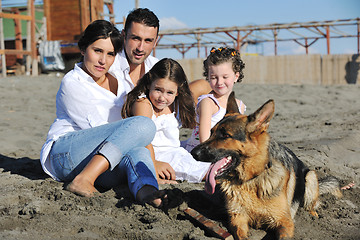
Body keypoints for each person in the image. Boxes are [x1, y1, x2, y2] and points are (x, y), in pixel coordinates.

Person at [40, 20, 166, 208]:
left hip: (102, 158)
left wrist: (152, 164)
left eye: (110, 54)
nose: (103, 60)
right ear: (83, 49)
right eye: (97, 51)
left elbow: (125, 136)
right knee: (144, 125)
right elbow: (104, 129)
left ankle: (147, 191)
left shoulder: (118, 80)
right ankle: (84, 179)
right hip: (67, 155)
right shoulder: (73, 82)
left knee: (139, 151)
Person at [121, 58, 211, 183]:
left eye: (170, 92)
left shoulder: (177, 104)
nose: (162, 98)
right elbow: (144, 138)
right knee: (205, 172)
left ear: (178, 92)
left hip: (176, 152)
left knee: (211, 167)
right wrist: (154, 165)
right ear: (149, 84)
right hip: (153, 155)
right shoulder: (143, 103)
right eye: (158, 90)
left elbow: (204, 85)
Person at [109, 7, 212, 108]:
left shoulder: (156, 67)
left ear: (155, 42)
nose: (140, 48)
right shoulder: (109, 66)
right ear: (124, 35)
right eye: (136, 38)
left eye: (148, 40)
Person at [184, 47, 246, 152]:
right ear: (207, 77)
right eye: (214, 77)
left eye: (225, 77)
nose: (219, 82)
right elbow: (204, 140)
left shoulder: (240, 105)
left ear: (236, 76)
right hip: (203, 152)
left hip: (223, 149)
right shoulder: (208, 103)